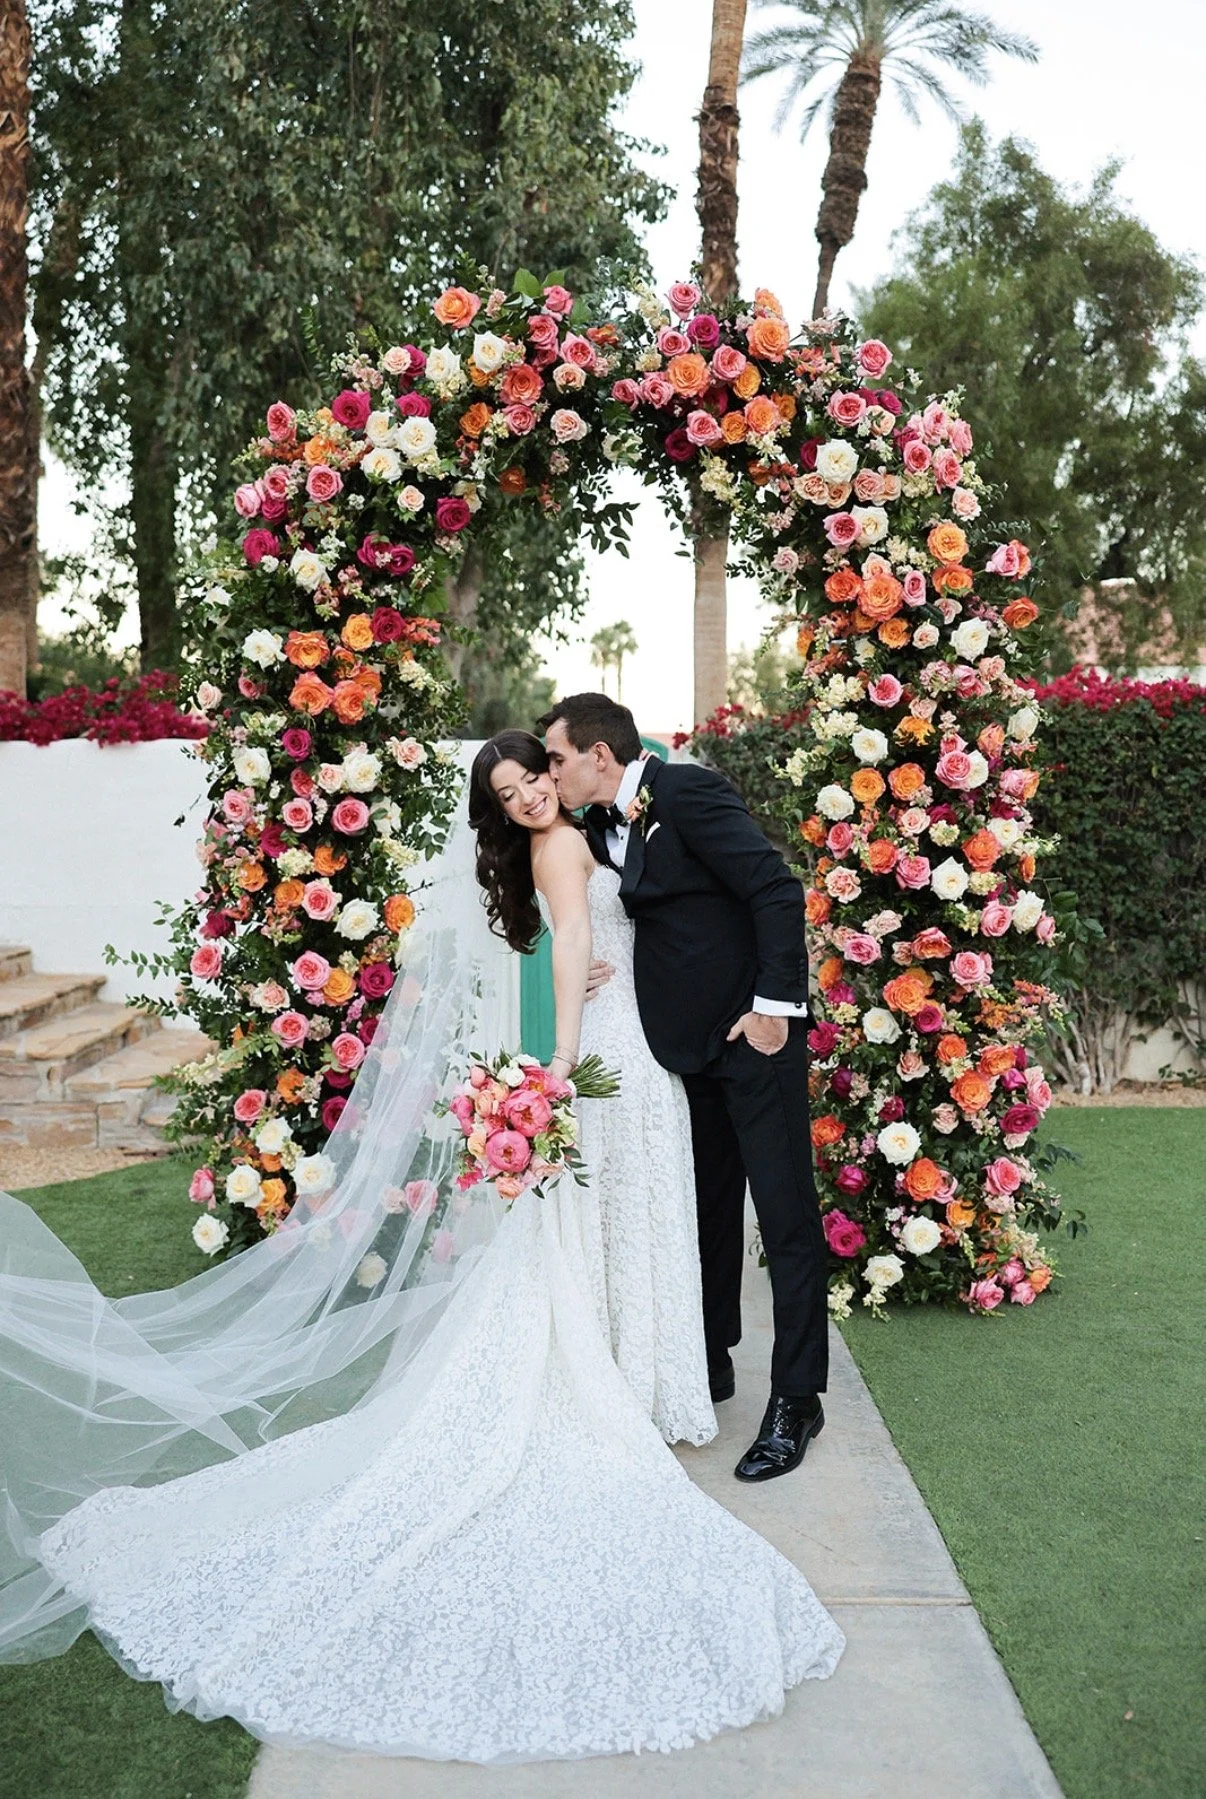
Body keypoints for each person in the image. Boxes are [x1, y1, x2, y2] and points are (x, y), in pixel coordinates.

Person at [0, 741, 843, 1760]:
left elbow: (619, 927)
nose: (534, 790)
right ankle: (638, 1373)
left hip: (639, 1041)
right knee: (623, 1220)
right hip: (606, 1049)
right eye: (511, 790)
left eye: (538, 772)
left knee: (626, 1222)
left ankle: (650, 1364)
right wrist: (564, 1063)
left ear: (568, 764)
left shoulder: (596, 829)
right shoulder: (568, 847)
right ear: (501, 806)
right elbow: (574, 940)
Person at [537, 692, 830, 1483]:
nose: (549, 772)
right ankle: (713, 1356)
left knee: (784, 1215)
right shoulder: (599, 826)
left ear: (601, 755)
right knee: (705, 1215)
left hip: (752, 1044)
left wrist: (774, 1010)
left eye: (556, 758)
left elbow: (775, 888)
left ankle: (798, 1398)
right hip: (683, 1056)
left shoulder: (687, 792)